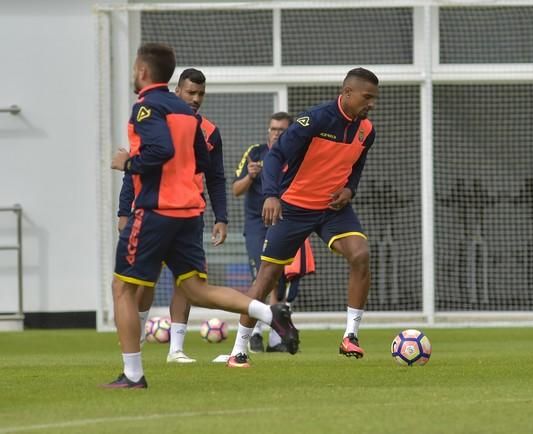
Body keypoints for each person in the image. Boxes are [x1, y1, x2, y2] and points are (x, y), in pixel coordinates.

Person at [104, 43, 297, 389]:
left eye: (135, 67)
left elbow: (158, 152)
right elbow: (203, 166)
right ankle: (270, 314)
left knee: (122, 287)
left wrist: (127, 164)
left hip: (156, 211)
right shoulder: (191, 118)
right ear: (176, 84)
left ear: (144, 72)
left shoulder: (146, 108)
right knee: (195, 288)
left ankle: (133, 374)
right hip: (190, 212)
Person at [226, 67, 378, 368]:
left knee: (360, 254)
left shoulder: (367, 130)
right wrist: (271, 194)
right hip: (293, 207)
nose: (371, 103)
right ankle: (239, 349)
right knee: (266, 279)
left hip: (333, 209)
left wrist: (350, 189)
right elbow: (276, 156)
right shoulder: (315, 119)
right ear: (347, 93)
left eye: (375, 98)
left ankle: (351, 336)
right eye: (367, 97)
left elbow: (357, 164)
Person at [117, 67, 228, 364]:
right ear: (177, 91)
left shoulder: (210, 131)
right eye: (191, 92)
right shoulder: (155, 120)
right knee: (145, 279)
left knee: (186, 281)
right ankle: (135, 340)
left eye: (201, 94)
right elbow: (135, 169)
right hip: (153, 211)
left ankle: (176, 349)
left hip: (190, 212)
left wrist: (222, 217)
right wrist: (123, 211)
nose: (196, 99)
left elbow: (215, 176)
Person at [231, 112, 315, 355]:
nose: (276, 133)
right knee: (262, 275)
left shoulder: (297, 154)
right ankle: (254, 332)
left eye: (281, 130)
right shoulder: (255, 152)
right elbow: (236, 189)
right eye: (273, 129)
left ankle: (276, 338)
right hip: (257, 223)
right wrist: (251, 176)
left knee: (283, 279)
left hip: (285, 220)